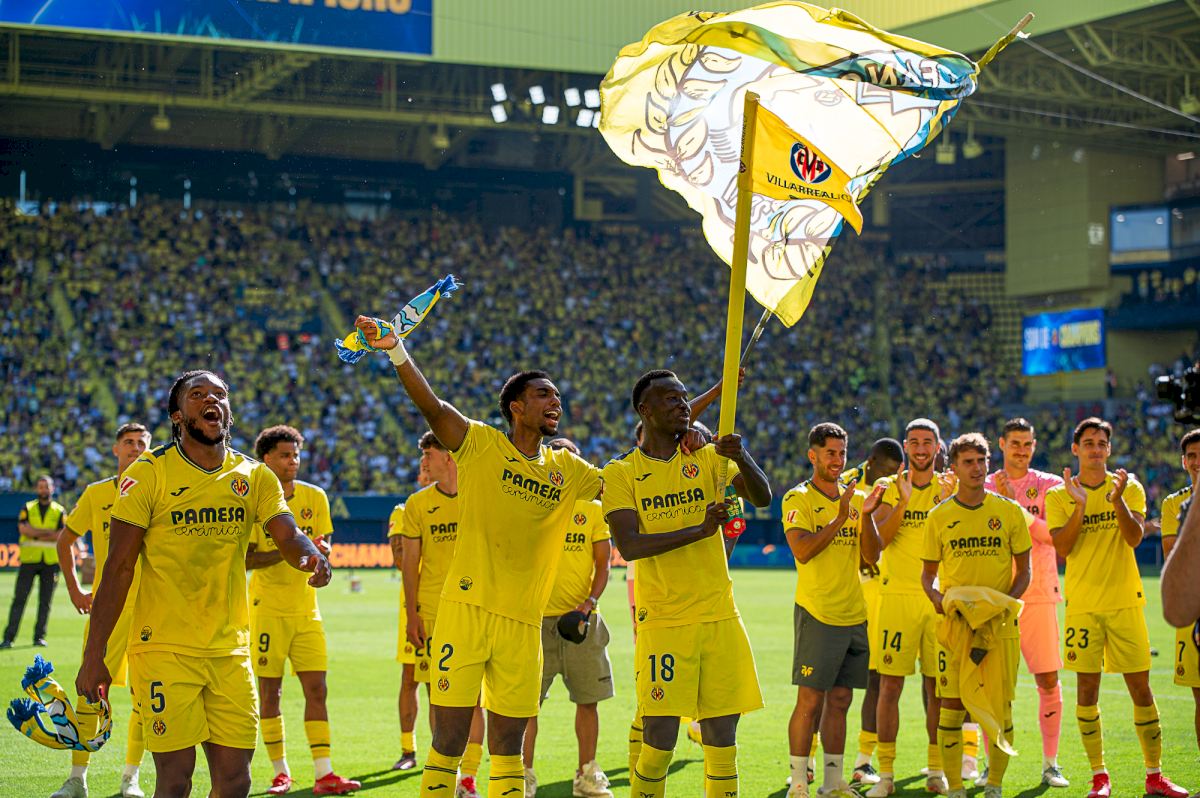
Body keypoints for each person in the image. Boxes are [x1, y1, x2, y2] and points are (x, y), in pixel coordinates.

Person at [354, 316, 602, 798]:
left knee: (508, 745)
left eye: (557, 395)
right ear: (516, 407)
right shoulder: (481, 444)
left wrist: (683, 431)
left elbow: (625, 482)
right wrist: (396, 350)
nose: (556, 401)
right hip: (465, 612)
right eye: (544, 394)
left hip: (523, 622)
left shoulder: (568, 469)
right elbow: (432, 406)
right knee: (448, 740)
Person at [75, 370, 332, 798]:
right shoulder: (148, 474)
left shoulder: (254, 475)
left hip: (230, 650)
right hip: (164, 649)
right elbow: (118, 568)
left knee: (235, 781)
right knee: (176, 779)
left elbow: (288, 534)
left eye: (220, 394)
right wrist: (93, 655)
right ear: (177, 415)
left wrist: (311, 556)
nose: (212, 400)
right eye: (198, 395)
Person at [603, 369, 772, 798]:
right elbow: (630, 545)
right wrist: (699, 530)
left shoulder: (709, 458)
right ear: (645, 411)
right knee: (659, 739)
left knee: (722, 737)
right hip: (665, 620)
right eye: (671, 399)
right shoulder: (621, 472)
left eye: (684, 397)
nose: (682, 404)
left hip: (719, 615)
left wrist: (741, 455)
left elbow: (762, 496)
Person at [1047, 417, 1187, 798]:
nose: (1095, 449)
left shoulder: (1130, 487)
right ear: (1075, 450)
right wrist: (1079, 506)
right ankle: (1099, 776)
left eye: (1101, 443)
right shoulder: (1060, 495)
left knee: (1141, 688)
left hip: (1125, 602)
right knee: (1086, 691)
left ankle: (1155, 775)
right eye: (1088, 443)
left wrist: (1117, 500)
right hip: (1083, 606)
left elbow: (1134, 537)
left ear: (1108, 449)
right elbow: (1063, 548)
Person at [246, 425, 360, 796]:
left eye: (295, 454)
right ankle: (280, 773)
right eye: (284, 455)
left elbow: (324, 545)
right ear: (266, 459)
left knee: (317, 689)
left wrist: (320, 555)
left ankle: (325, 773)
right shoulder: (253, 499)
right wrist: (289, 551)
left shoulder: (315, 496)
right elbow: (245, 558)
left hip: (307, 611)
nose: (293, 461)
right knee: (271, 694)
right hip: (267, 609)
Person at [922, 433, 1031, 798]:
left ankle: (994, 784)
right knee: (951, 707)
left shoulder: (1009, 511)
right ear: (953, 468)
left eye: (981, 460)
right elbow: (927, 575)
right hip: (956, 628)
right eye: (968, 462)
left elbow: (1025, 571)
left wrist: (1002, 607)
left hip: (1000, 627)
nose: (977, 468)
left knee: (1001, 706)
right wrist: (939, 601)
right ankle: (955, 787)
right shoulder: (939, 516)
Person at [782, 423, 884, 798]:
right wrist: (841, 517)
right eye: (830, 453)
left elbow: (871, 556)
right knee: (809, 701)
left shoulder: (856, 498)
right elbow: (803, 551)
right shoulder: (797, 498)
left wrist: (866, 515)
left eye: (842, 452)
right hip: (818, 613)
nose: (838, 460)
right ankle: (798, 782)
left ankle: (832, 782)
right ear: (813, 455)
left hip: (854, 613)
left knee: (841, 701)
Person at [52, 423, 153, 798]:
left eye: (142, 443)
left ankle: (131, 778)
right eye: (129, 442)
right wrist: (75, 589)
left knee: (146, 695)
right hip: (108, 609)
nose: (135, 448)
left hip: (150, 608)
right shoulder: (97, 494)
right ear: (115, 449)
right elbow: (65, 541)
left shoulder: (159, 491)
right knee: (89, 692)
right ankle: (77, 779)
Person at [523, 436, 615, 798]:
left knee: (588, 700)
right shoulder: (534, 505)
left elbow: (603, 564)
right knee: (526, 705)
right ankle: (522, 775)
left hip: (581, 621)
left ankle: (586, 773)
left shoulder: (593, 510)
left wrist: (588, 604)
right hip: (536, 622)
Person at [867, 419, 955, 798]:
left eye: (927, 442)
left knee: (938, 689)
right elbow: (877, 545)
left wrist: (950, 503)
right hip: (897, 598)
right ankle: (885, 774)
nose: (920, 449)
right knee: (890, 687)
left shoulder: (950, 488)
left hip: (938, 602)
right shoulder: (888, 487)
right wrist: (903, 502)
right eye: (914, 442)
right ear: (905, 446)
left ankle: (936, 770)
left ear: (937, 447)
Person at [400, 431, 486, 798]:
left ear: (448, 457)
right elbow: (410, 564)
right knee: (439, 694)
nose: (424, 463)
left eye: (429, 456)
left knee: (476, 698)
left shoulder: (479, 496)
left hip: (475, 610)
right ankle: (446, 773)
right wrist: (412, 615)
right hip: (434, 612)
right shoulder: (418, 504)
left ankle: (469, 777)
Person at [986, 418, 1069, 788]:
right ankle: (990, 765)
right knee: (991, 687)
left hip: (1038, 595)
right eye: (1015, 443)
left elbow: (1053, 537)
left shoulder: (1049, 485)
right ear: (1001, 444)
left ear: (1034, 446)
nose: (1021, 450)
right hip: (996, 597)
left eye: (1027, 444)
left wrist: (1015, 506)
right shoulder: (984, 485)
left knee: (1048, 679)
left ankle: (1051, 764)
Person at [840, 437, 903, 785]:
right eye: (885, 470)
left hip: (880, 595)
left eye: (895, 471)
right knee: (830, 683)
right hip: (845, 595)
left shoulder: (895, 489)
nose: (889, 476)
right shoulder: (846, 483)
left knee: (876, 679)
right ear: (871, 461)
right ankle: (810, 763)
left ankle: (864, 761)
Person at [1157, 429, 1200, 748]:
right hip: (1191, 608)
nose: (1198, 462)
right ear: (1184, 461)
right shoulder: (1174, 503)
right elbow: (1173, 556)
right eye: (1192, 456)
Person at [390, 465, 431, 773]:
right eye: (423, 469)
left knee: (442, 684)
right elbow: (399, 558)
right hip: (414, 607)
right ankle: (408, 750)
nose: (427, 472)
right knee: (410, 678)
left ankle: (442, 752)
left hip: (446, 605)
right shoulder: (403, 511)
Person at [2, 474, 65, 648]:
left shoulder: (59, 510)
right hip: (29, 560)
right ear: (37, 489)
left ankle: (39, 637)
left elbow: (61, 534)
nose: (43, 490)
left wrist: (35, 533)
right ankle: (8, 638)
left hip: (50, 562)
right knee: (19, 600)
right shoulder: (27, 508)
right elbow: (23, 529)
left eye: (46, 486)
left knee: (45, 602)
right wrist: (48, 533)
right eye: (41, 486)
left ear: (52, 488)